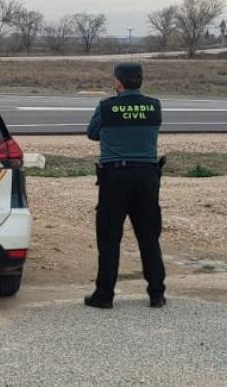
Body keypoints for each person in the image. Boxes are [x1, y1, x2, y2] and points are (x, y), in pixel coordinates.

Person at [83, 62, 166, 309]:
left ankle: (105, 294)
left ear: (118, 82)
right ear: (140, 81)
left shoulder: (107, 107)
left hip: (115, 177)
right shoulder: (154, 106)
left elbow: (92, 133)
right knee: (149, 236)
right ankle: (156, 293)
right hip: (147, 177)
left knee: (109, 237)